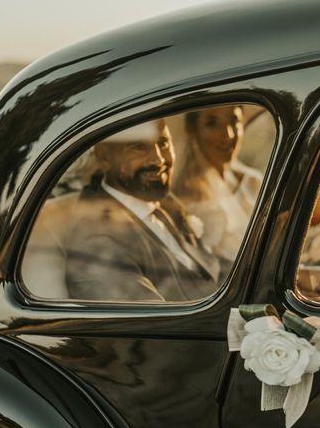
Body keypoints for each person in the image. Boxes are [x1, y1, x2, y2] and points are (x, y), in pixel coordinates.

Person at [62, 119, 220, 302]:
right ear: (104, 155)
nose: (158, 159)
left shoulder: (165, 202)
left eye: (163, 143)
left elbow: (211, 268)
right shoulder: (97, 241)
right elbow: (155, 326)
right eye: (138, 147)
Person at [173, 105, 263, 261]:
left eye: (234, 121)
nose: (228, 135)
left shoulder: (253, 180)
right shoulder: (185, 196)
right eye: (212, 124)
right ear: (193, 131)